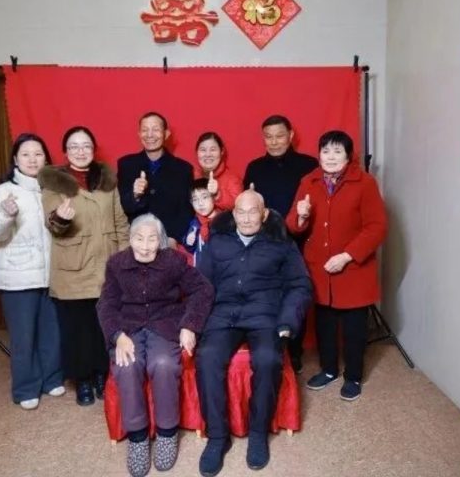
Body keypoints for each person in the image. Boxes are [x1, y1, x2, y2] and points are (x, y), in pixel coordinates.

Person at [196, 190, 312, 476]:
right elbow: (200, 285)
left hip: (265, 314)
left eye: (252, 212)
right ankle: (217, 437)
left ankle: (258, 433)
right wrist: (192, 324)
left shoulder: (280, 242)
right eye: (241, 212)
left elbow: (300, 285)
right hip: (224, 313)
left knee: (268, 359)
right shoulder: (217, 241)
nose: (246, 218)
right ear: (233, 214)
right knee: (207, 357)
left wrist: (287, 321)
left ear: (264, 214)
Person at [97, 214, 214, 477]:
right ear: (130, 240)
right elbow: (106, 304)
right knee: (127, 366)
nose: (145, 246)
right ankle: (137, 438)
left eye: (152, 239)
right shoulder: (116, 264)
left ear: (160, 241)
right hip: (128, 327)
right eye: (139, 239)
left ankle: (167, 433)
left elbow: (203, 290)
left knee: (163, 364)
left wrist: (190, 325)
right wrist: (116, 335)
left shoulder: (173, 261)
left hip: (165, 323)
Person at [286, 131, 388, 401]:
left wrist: (347, 256)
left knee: (354, 329)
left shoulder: (365, 183)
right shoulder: (308, 181)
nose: (330, 157)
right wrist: (301, 216)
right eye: (326, 151)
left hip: (353, 269)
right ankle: (329, 369)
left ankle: (353, 376)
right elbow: (292, 225)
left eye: (337, 151)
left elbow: (376, 227)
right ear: (319, 155)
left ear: (348, 156)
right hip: (319, 269)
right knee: (325, 326)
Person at [38, 126, 130, 406]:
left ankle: (102, 374)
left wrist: (125, 259)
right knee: (77, 330)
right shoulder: (54, 183)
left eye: (86, 145)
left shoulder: (107, 180)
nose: (81, 151)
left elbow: (120, 222)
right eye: (74, 146)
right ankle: (83, 381)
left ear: (94, 149)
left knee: (103, 326)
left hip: (107, 266)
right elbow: (52, 224)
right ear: (65, 152)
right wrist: (60, 217)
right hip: (74, 269)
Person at [0, 133, 64, 410]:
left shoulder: (53, 190)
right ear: (15, 159)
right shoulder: (4, 191)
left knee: (51, 331)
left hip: (51, 274)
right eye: (26, 154)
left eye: (38, 154)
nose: (32, 159)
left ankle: (52, 378)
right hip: (17, 277)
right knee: (24, 336)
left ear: (46, 158)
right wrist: (4, 214)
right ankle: (25, 388)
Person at [243, 114, 318, 373]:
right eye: (268, 137)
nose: (274, 141)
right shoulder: (254, 168)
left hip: (299, 242)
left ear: (291, 135)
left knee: (296, 296)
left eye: (279, 136)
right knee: (267, 296)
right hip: (264, 243)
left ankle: (295, 353)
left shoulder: (309, 165)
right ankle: (272, 350)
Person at [117, 112, 194, 242]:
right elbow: (120, 209)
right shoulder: (126, 165)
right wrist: (135, 195)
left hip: (168, 241)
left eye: (155, 129)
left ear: (166, 134)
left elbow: (186, 211)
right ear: (139, 134)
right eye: (145, 130)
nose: (150, 135)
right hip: (135, 241)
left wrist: (173, 238)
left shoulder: (183, 169)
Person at [194, 132, 243, 211]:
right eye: (203, 150)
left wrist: (218, 194)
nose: (208, 154)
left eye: (213, 150)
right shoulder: (190, 176)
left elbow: (239, 205)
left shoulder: (232, 179)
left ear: (221, 152)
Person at [182, 178, 220, 266]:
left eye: (204, 197)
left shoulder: (223, 220)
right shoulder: (195, 223)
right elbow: (191, 249)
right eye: (195, 199)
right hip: (201, 267)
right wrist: (189, 242)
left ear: (214, 197)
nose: (200, 203)